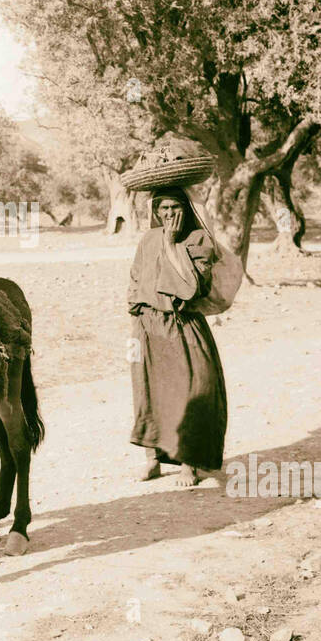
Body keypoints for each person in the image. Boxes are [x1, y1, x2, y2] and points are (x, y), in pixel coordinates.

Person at [128, 186, 227, 487]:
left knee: (192, 390)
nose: (169, 214)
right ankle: (153, 459)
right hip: (148, 325)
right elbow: (135, 281)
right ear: (156, 212)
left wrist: (172, 244)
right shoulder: (147, 240)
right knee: (149, 390)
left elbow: (191, 287)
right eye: (163, 209)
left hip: (183, 325)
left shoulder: (198, 240)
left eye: (175, 208)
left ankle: (189, 462)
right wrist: (138, 315)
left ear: (185, 209)